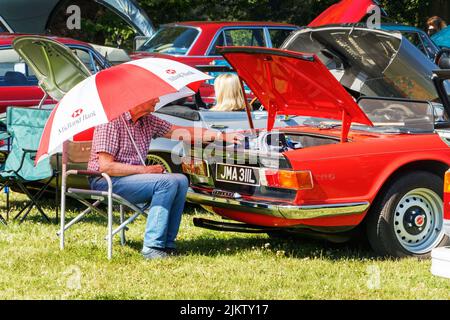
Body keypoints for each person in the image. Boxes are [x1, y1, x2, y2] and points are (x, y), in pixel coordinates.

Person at [87, 97, 239, 260]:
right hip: (106, 181)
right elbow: (106, 167)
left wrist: (221, 136)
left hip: (130, 178)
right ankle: (152, 247)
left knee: (181, 180)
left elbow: (182, 132)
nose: (158, 99)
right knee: (166, 182)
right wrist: (145, 171)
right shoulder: (111, 121)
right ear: (139, 97)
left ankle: (167, 245)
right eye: (153, 97)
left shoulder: (147, 121)